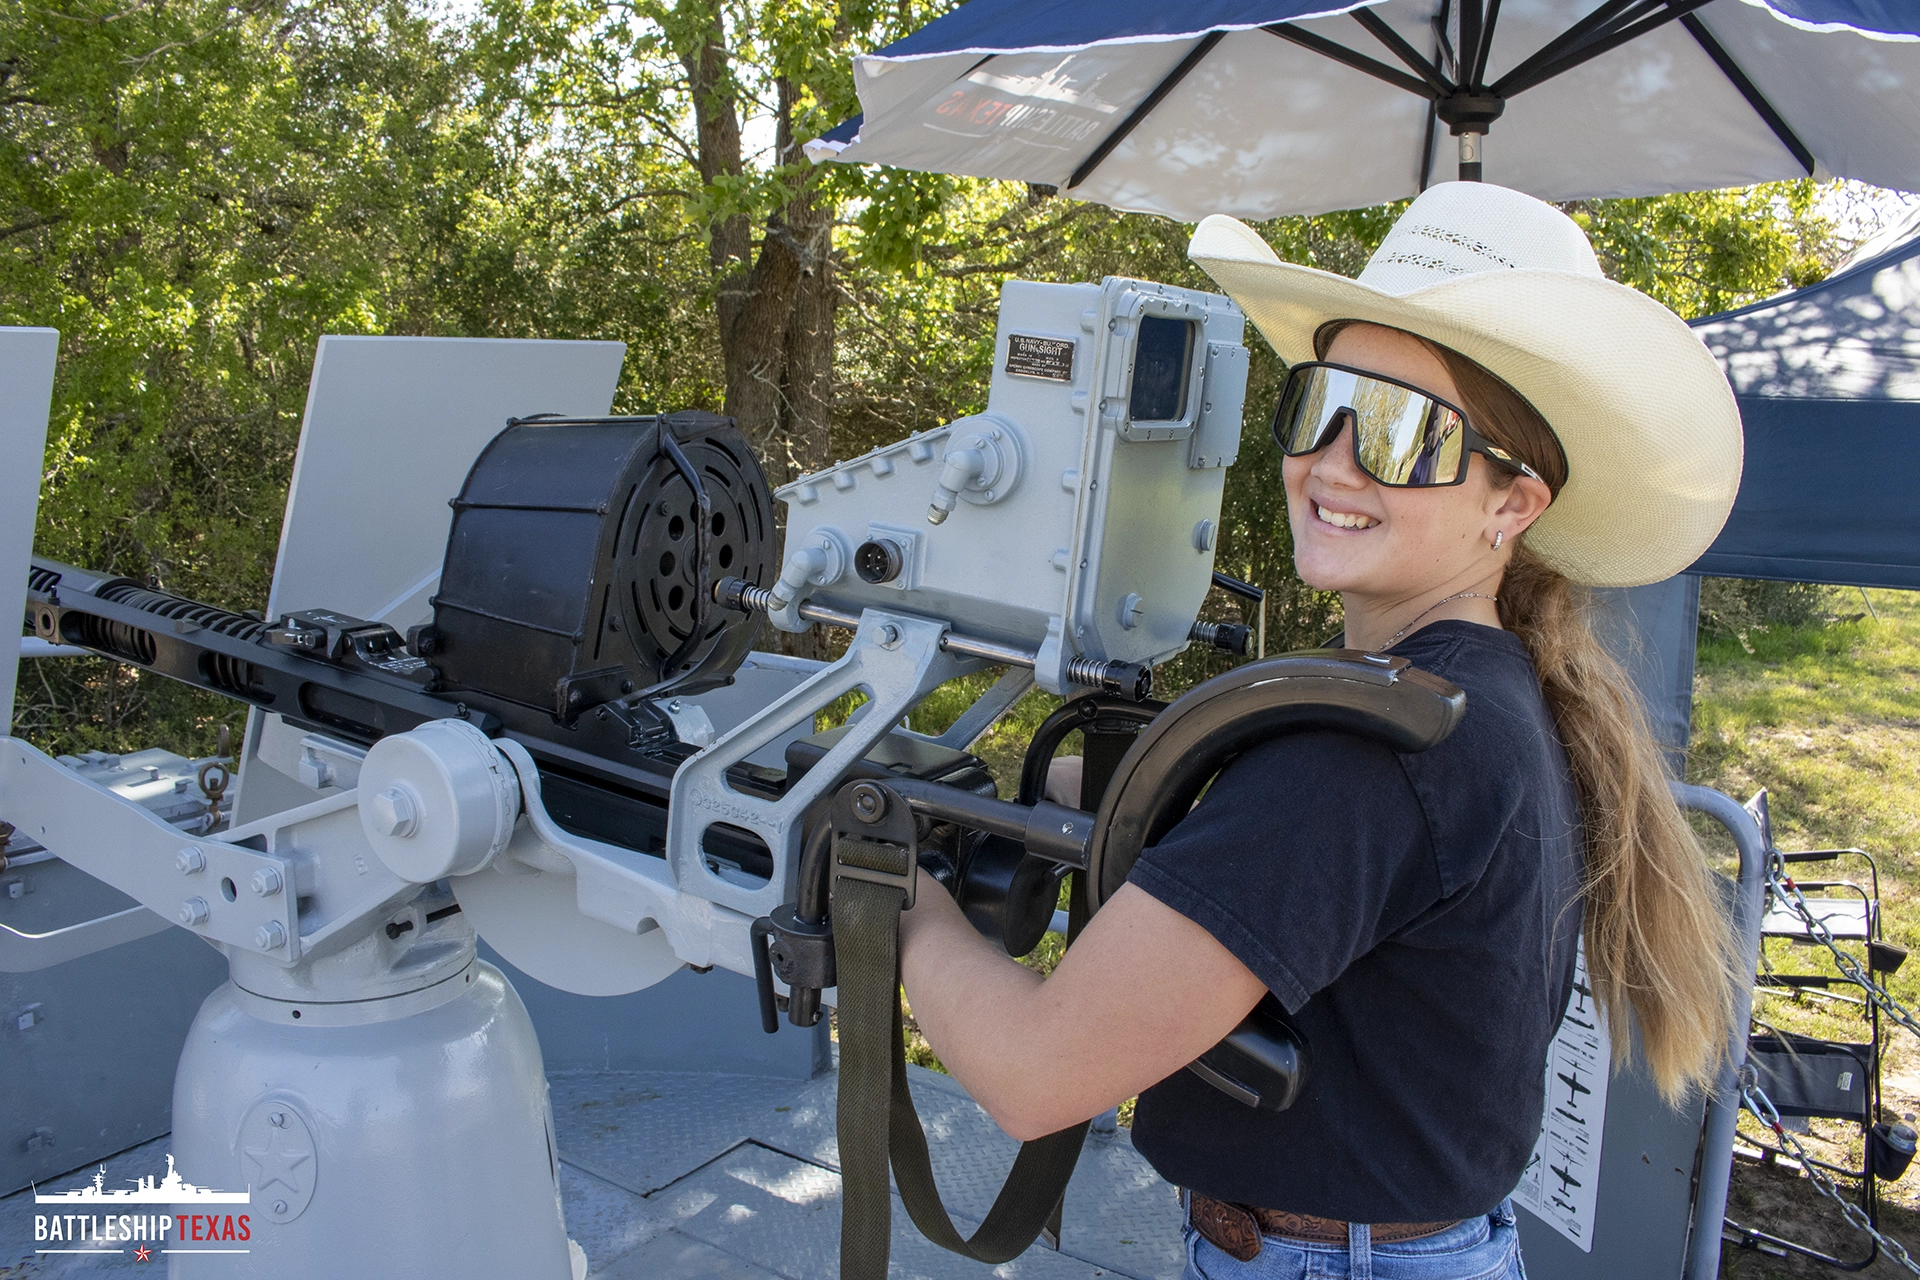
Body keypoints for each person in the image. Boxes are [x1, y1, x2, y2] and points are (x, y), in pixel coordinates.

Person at [894, 181, 1746, 1279]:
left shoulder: (1376, 748)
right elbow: (1318, 885)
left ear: (1513, 504)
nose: (1335, 461)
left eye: (1403, 431)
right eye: (1322, 405)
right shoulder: (1472, 695)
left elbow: (1033, 1072)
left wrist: (894, 892)